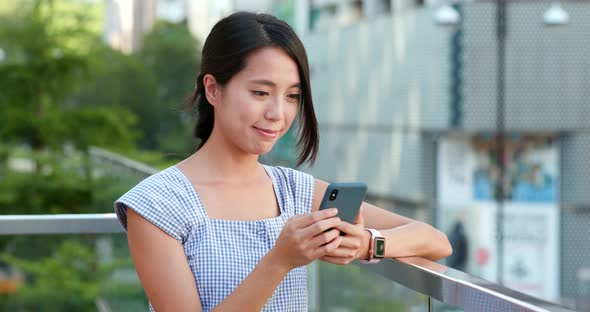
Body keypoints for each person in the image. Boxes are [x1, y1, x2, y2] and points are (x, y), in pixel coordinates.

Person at [114, 11, 452, 312]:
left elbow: (435, 241)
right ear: (214, 89)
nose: (278, 114)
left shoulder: (294, 189)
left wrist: (367, 243)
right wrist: (279, 261)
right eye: (261, 93)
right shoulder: (157, 205)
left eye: (292, 96)